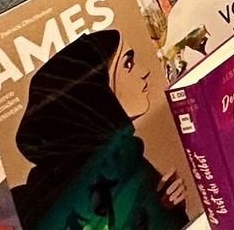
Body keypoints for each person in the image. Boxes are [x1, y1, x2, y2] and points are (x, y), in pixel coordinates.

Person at [12, 30, 188, 230]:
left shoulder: (121, 155)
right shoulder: (111, 164)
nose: (144, 71)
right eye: (127, 64)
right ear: (93, 89)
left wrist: (169, 205)